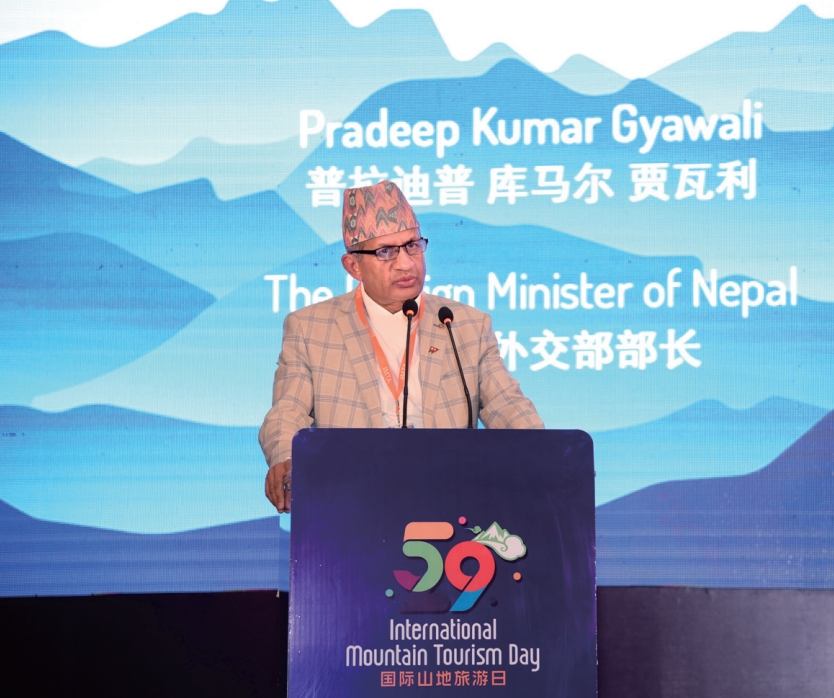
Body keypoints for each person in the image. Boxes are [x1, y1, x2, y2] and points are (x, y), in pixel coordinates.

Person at [259, 180, 543, 512]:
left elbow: (508, 406)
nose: (406, 263)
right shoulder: (311, 327)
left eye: (412, 246)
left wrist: (551, 457)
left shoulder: (464, 324)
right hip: (351, 502)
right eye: (386, 252)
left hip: (451, 500)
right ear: (353, 266)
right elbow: (287, 411)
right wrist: (285, 456)